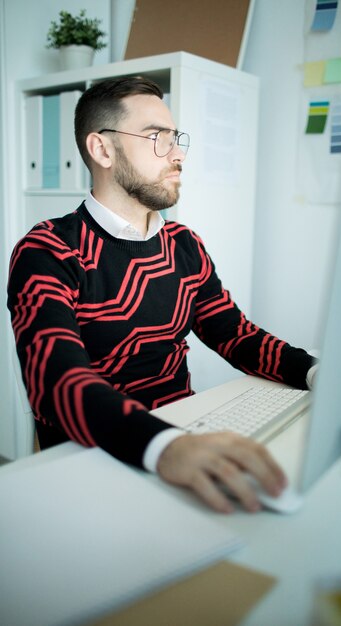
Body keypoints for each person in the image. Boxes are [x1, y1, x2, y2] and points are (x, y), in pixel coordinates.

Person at [8, 76, 317, 514]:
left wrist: (314, 373)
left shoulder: (183, 244)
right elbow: (57, 384)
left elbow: (235, 334)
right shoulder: (48, 250)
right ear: (102, 150)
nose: (178, 155)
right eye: (156, 137)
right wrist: (166, 447)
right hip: (97, 462)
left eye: (176, 139)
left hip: (182, 443)